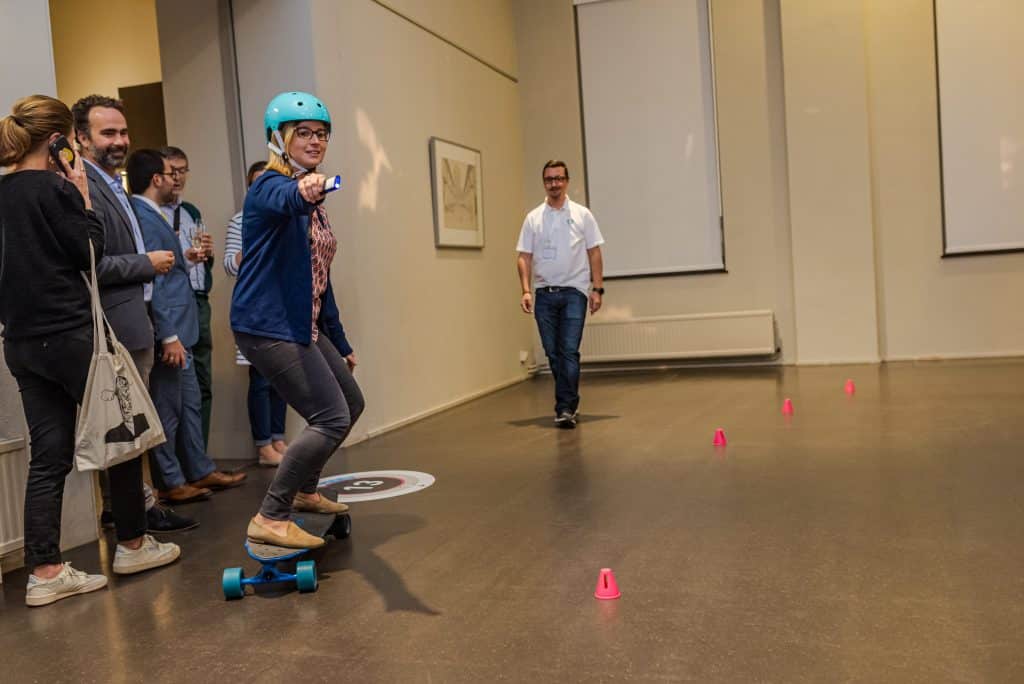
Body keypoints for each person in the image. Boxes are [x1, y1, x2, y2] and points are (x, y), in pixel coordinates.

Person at [0, 95, 180, 607]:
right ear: (59, 140)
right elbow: (89, 252)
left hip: (21, 342)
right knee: (122, 435)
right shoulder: (56, 188)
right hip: (73, 334)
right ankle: (133, 544)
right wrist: (81, 197)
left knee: (48, 454)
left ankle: (45, 571)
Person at [231, 91, 363, 549]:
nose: (315, 141)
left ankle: (306, 491)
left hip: (303, 322)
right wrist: (305, 189)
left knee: (351, 403)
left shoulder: (314, 200)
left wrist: (340, 342)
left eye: (321, 134)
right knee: (330, 417)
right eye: (303, 132)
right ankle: (271, 515)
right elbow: (286, 197)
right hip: (267, 325)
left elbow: (320, 278)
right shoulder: (270, 186)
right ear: (279, 138)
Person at [72, 94, 200, 527]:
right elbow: (90, 264)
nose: (119, 141)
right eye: (107, 133)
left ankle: (133, 507)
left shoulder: (113, 184)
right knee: (125, 427)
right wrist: (146, 264)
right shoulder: (83, 186)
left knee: (133, 425)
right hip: (114, 324)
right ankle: (135, 514)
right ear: (81, 138)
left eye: (123, 132)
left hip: (137, 320)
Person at [127, 149, 245, 501]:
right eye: (170, 173)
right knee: (168, 408)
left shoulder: (156, 214)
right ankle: (170, 481)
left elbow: (171, 268)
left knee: (190, 403)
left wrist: (189, 258)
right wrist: (169, 335)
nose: (176, 179)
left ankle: (199, 469)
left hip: (185, 325)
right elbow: (154, 282)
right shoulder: (144, 217)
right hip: (172, 331)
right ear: (156, 179)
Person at [515, 160, 605, 429]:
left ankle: (565, 407)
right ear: (544, 183)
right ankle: (569, 401)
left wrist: (597, 288)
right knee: (553, 353)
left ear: (567, 181)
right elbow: (524, 256)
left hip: (574, 292)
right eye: (549, 179)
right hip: (544, 293)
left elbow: (594, 252)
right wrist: (526, 290)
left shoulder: (582, 215)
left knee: (568, 350)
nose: (554, 184)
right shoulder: (533, 218)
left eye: (558, 178)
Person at [223, 161, 289, 467]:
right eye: (257, 183)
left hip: (283, 306)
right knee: (260, 379)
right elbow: (229, 265)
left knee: (283, 378)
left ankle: (278, 437)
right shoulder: (240, 221)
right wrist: (253, 243)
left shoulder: (287, 217)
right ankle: (263, 446)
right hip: (255, 308)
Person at [159, 146, 215, 449]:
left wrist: (207, 255)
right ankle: (180, 461)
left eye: (183, 171)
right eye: (172, 171)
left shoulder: (191, 211)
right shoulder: (151, 212)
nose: (178, 178)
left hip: (198, 299)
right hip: (171, 303)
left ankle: (200, 455)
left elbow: (203, 262)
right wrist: (187, 257)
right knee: (176, 384)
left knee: (203, 380)